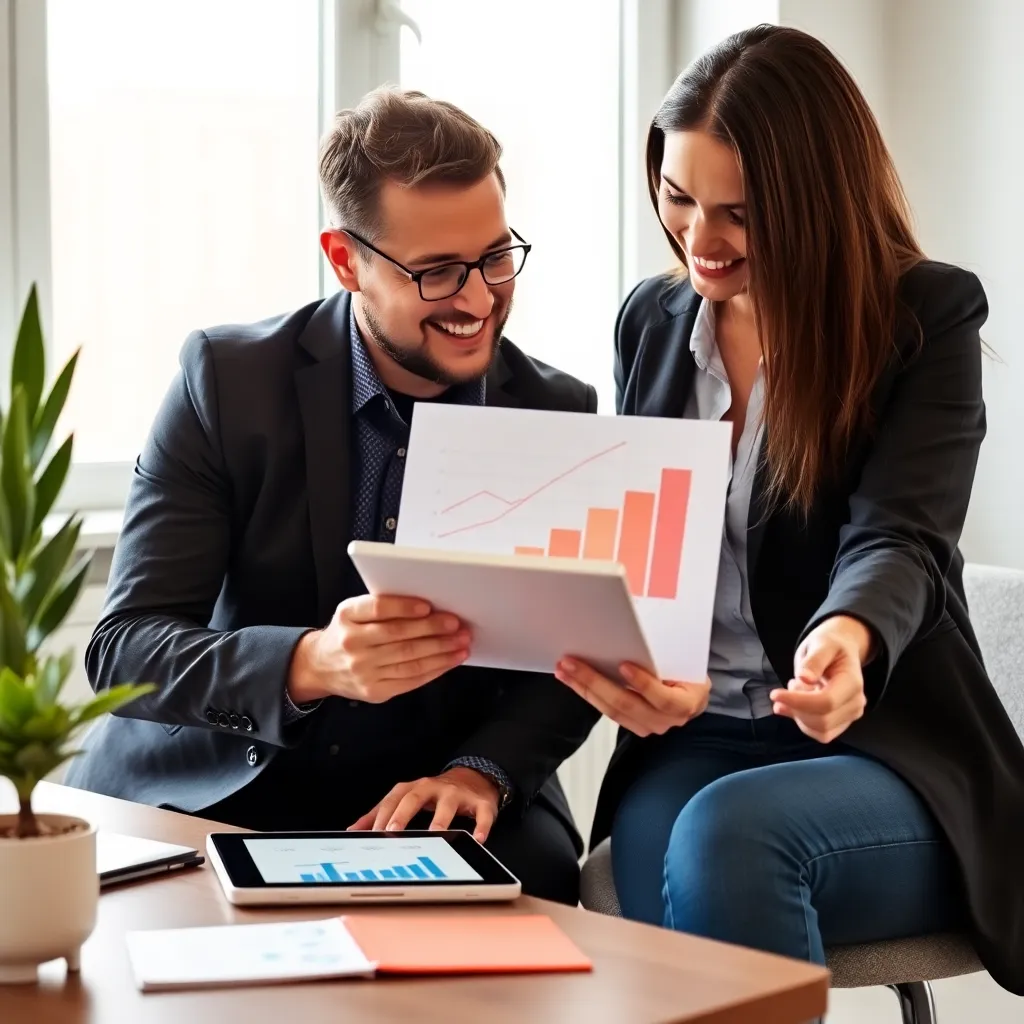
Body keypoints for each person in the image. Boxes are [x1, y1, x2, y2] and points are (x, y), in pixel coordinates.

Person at [554, 25, 1024, 993]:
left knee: (725, 846)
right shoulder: (650, 320)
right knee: (673, 896)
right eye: (676, 198)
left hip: (881, 753)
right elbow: (649, 539)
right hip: (693, 744)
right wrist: (642, 655)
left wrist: (844, 637)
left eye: (736, 212)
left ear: (814, 201)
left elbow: (899, 532)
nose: (697, 238)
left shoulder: (921, 320)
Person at [66, 87, 600, 905]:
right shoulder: (225, 380)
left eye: (496, 257)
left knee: (532, 893)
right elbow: (124, 650)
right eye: (437, 272)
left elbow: (572, 659)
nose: (479, 298)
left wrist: (482, 772)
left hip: (433, 788)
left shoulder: (556, 412)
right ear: (346, 259)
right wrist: (312, 663)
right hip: (222, 781)